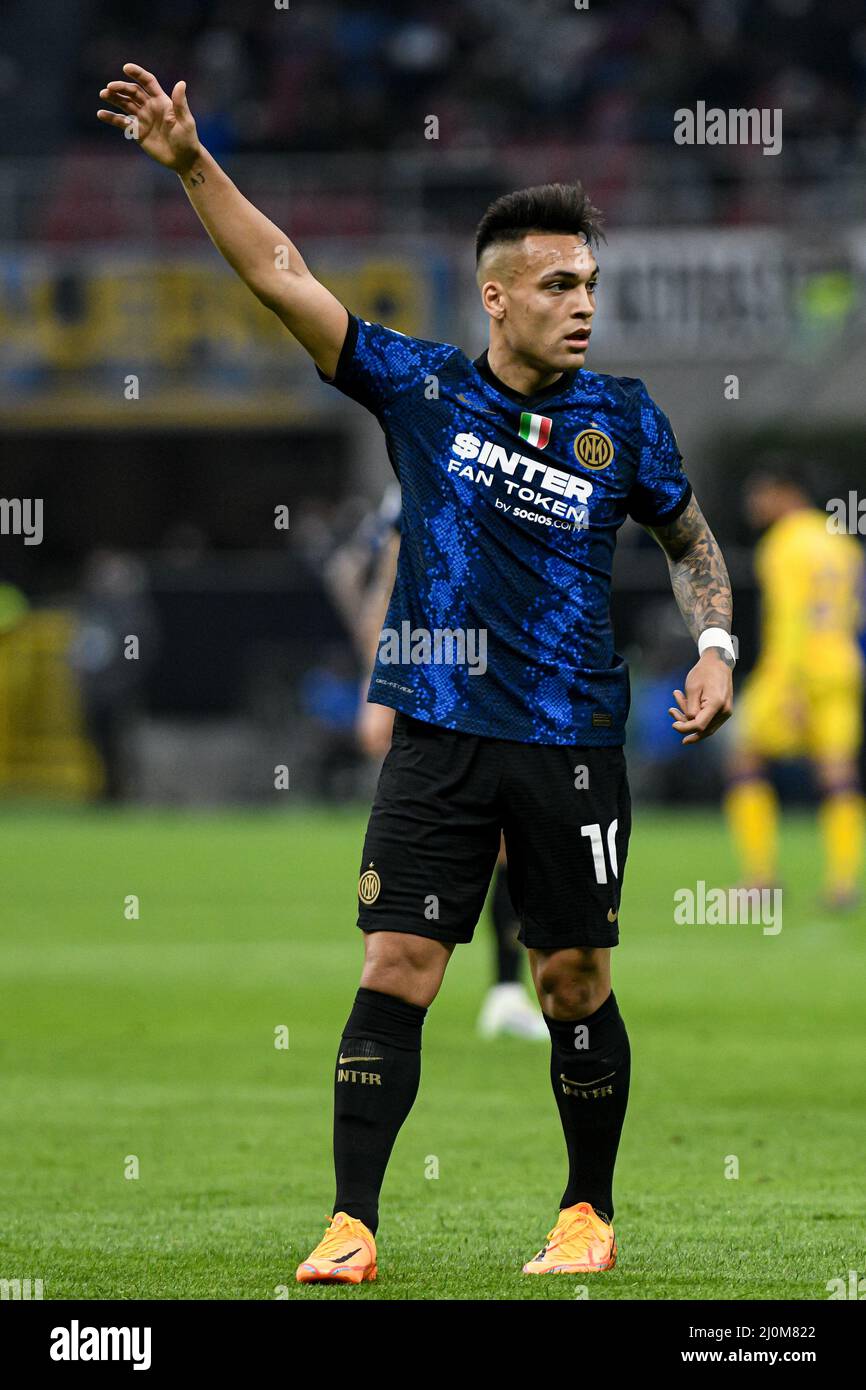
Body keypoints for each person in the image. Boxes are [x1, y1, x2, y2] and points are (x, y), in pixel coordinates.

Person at [97, 67, 734, 1281]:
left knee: (569, 976)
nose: (580, 303)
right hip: (437, 733)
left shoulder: (624, 418)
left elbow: (689, 541)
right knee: (396, 965)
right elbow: (282, 271)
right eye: (556, 285)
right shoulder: (422, 389)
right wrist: (190, 163)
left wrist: (713, 648)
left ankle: (584, 1213)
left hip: (569, 741)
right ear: (496, 298)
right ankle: (351, 1223)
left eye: (589, 283)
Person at [351, 489, 548, 1041]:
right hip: (436, 684)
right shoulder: (422, 461)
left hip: (508, 679)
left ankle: (506, 990)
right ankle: (395, 983)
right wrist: (377, 691)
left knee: (514, 839)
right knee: (433, 839)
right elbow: (385, 589)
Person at [725, 473, 864, 909]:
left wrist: (790, 689)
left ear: (785, 494)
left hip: (794, 669)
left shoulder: (784, 543)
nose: (753, 505)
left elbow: (789, 620)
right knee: (838, 770)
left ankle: (760, 877)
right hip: (842, 665)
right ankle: (842, 883)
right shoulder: (842, 541)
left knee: (743, 755)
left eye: (760, 495)